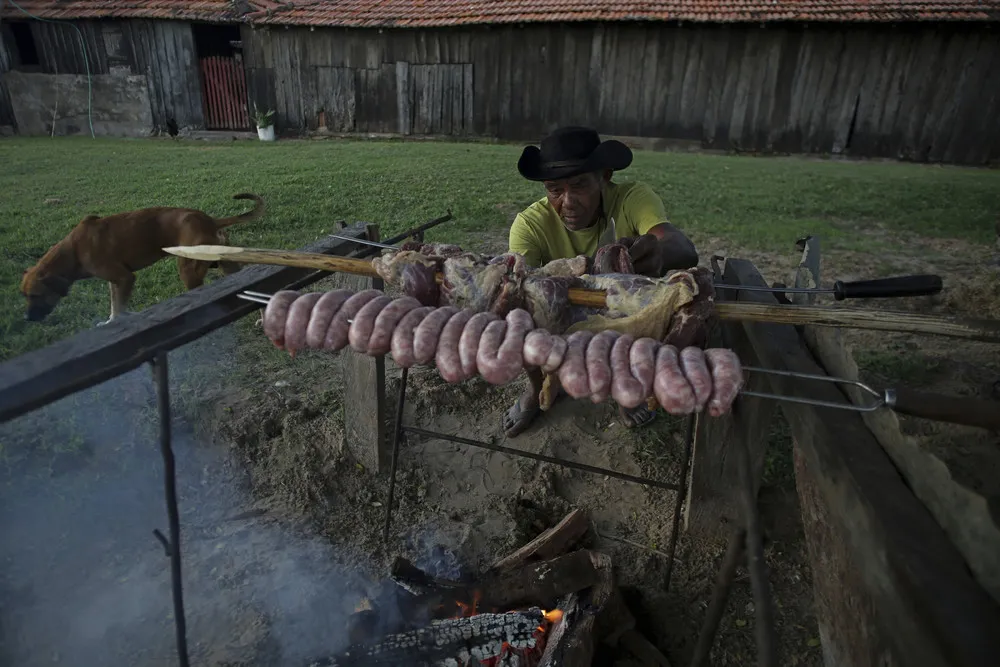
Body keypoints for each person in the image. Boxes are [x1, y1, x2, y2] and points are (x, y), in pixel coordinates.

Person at [504, 126, 699, 437]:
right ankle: (539, 388)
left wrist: (659, 252)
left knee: (657, 308)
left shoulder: (632, 199)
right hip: (563, 311)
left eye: (579, 185)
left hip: (627, 312)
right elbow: (517, 288)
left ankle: (626, 386)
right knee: (521, 311)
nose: (567, 202)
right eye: (554, 189)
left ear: (604, 176)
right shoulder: (529, 225)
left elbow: (683, 248)